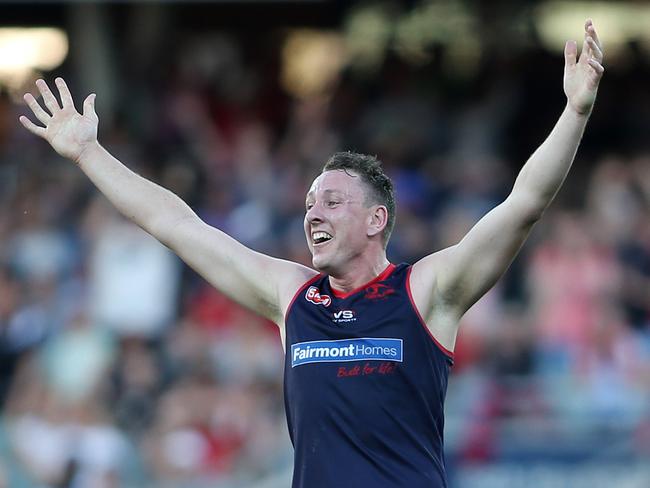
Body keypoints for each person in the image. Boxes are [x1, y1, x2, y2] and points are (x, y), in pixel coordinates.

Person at [20, 19, 604, 488]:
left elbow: (524, 203)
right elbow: (172, 223)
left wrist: (574, 112)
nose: (312, 213)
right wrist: (88, 154)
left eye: (332, 201)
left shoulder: (426, 291)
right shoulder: (292, 295)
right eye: (308, 203)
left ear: (378, 219)